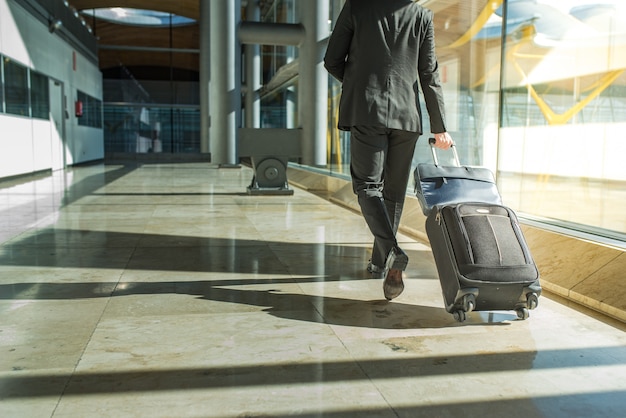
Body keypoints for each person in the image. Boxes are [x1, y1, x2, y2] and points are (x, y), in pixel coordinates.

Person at [324, 0, 453, 300]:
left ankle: (392, 252)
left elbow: (332, 60)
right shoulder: (421, 15)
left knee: (368, 186)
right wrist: (440, 126)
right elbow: (428, 74)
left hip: (367, 110)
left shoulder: (357, 6)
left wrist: (360, 85)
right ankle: (382, 264)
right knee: (393, 193)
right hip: (407, 116)